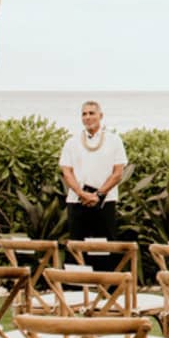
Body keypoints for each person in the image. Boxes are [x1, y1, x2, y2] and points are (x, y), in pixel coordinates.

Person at [59, 101, 127, 262]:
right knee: (77, 247)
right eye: (84, 114)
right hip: (77, 201)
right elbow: (66, 171)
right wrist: (81, 194)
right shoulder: (71, 142)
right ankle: (76, 285)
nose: (88, 117)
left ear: (100, 116)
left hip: (105, 201)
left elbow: (118, 173)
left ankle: (106, 286)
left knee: (105, 247)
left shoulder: (114, 140)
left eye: (91, 113)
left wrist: (98, 194)